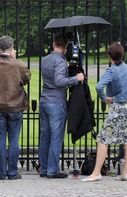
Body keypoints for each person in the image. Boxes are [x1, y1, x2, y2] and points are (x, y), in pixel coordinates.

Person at [82, 43, 127, 182]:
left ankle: (96, 172)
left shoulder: (112, 71)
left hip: (117, 107)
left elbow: (98, 86)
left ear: (110, 56)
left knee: (103, 139)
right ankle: (126, 172)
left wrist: (105, 99)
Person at [38, 33, 85, 179]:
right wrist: (75, 79)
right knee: (56, 137)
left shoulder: (45, 59)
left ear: (53, 44)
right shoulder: (59, 61)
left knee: (45, 137)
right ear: (65, 48)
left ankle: (44, 167)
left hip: (44, 101)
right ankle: (52, 170)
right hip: (56, 102)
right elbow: (59, 81)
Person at [0, 35, 30, 180]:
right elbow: (26, 79)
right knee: (14, 140)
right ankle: (12, 172)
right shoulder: (19, 64)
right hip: (15, 106)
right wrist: (14, 59)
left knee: (0, 140)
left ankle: (0, 172)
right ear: (11, 48)